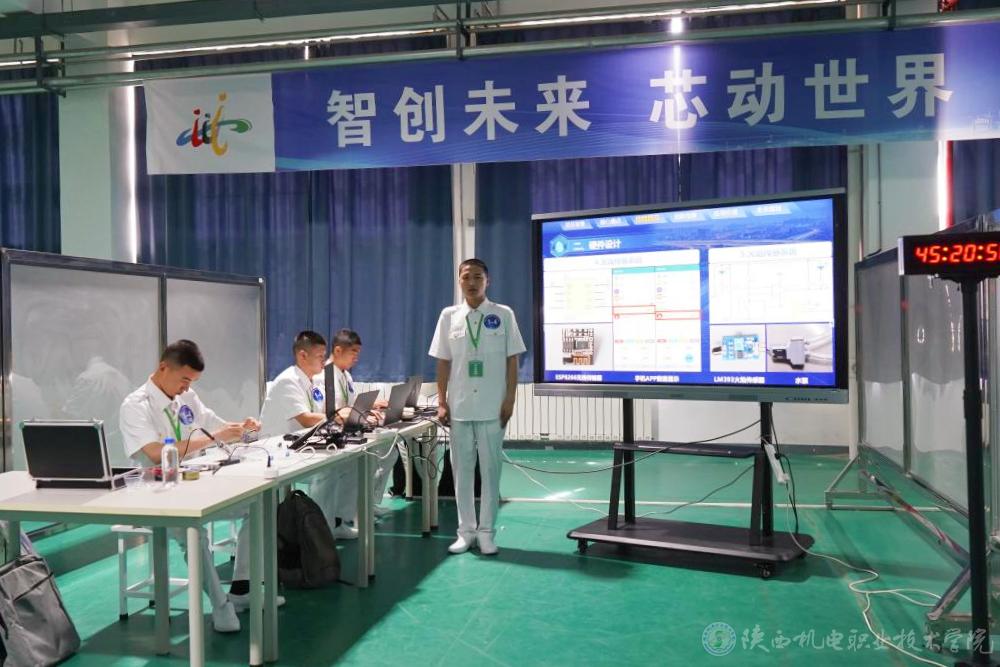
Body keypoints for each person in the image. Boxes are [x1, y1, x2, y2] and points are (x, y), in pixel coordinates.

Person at [119, 339, 263, 633]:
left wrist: (241, 428)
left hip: (196, 483)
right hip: (155, 494)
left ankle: (242, 588)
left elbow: (214, 426)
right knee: (193, 532)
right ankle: (221, 606)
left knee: (258, 505)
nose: (187, 388)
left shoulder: (187, 397)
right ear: (163, 368)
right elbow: (156, 452)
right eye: (184, 379)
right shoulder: (136, 405)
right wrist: (216, 436)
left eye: (192, 382)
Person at [428, 259, 525, 556]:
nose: (472, 282)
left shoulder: (503, 314)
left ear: (487, 281)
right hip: (459, 406)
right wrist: (441, 401)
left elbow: (512, 360)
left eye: (478, 277)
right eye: (466, 277)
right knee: (462, 472)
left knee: (491, 471)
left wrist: (510, 399)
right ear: (459, 281)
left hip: (493, 406)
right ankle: (465, 531)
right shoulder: (449, 316)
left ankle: (486, 533)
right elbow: (443, 361)